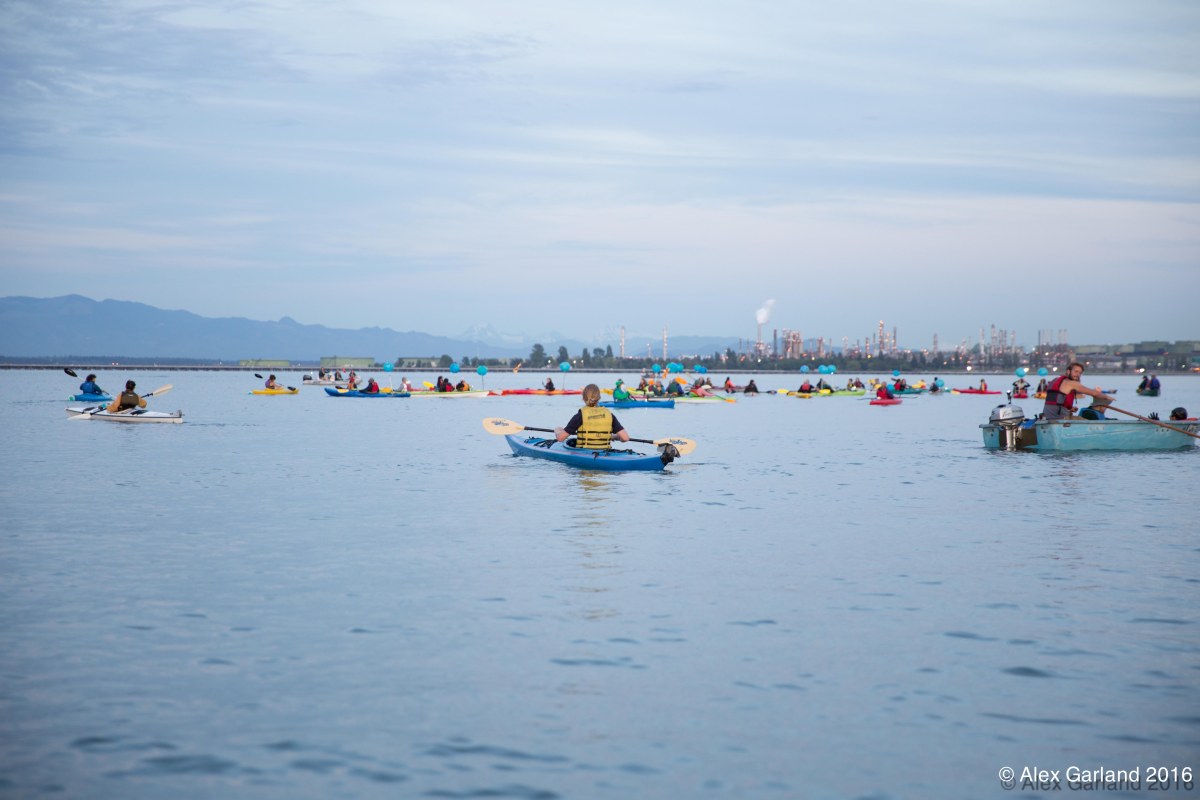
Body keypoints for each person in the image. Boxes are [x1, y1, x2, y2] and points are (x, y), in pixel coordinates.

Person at [556, 383, 629, 449]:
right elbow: (625, 438)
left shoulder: (580, 416)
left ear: (583, 398)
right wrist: (615, 437)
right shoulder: (609, 415)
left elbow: (560, 438)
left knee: (558, 429)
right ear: (599, 398)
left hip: (584, 453)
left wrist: (558, 431)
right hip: (604, 453)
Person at [1041, 362, 1114, 421]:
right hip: (1060, 419)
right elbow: (1094, 393)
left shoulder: (1055, 380)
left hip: (1047, 418)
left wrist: (1070, 409)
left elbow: (1057, 402)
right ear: (1068, 371)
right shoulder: (1072, 383)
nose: (1078, 375)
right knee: (1089, 421)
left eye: (1080, 373)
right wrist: (1107, 397)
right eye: (1076, 371)